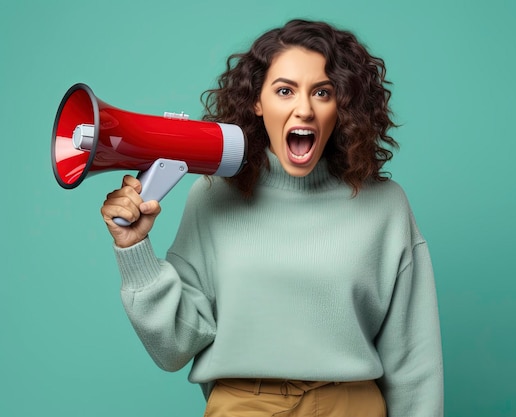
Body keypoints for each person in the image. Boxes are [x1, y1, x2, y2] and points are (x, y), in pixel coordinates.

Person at [101, 19, 443, 417]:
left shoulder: (386, 205)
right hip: (243, 405)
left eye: (322, 92)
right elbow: (175, 346)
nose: (304, 109)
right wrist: (134, 249)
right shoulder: (213, 196)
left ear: (343, 106)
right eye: (285, 91)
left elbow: (413, 360)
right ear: (257, 102)